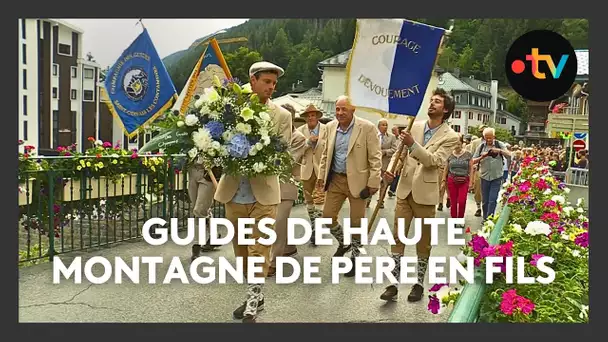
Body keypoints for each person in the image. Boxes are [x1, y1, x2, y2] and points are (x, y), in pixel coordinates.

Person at [214, 61, 292, 323]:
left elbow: (282, 153)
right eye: (267, 82)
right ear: (252, 80)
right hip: (234, 194)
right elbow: (217, 144)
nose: (271, 87)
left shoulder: (282, 116)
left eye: (274, 84)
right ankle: (255, 294)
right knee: (243, 253)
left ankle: (251, 303)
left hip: (266, 194)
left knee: (260, 248)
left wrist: (259, 150)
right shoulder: (231, 108)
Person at [380, 88, 459, 302]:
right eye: (431, 100)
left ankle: (418, 283)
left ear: (446, 109)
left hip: (426, 193)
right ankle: (393, 284)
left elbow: (434, 161)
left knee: (423, 241)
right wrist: (392, 170)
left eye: (437, 102)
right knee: (398, 236)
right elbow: (400, 151)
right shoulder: (414, 125)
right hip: (404, 189)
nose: (432, 104)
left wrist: (412, 144)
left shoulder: (451, 136)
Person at [317, 95, 382, 277]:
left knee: (356, 223)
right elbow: (325, 155)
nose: (339, 113)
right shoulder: (330, 127)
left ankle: (355, 257)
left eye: (343, 109)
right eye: (337, 109)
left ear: (353, 110)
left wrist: (373, 183)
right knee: (327, 217)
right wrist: (322, 177)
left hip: (359, 182)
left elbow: (375, 158)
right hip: (336, 179)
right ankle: (344, 242)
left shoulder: (367, 128)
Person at [268, 104, 307, 277]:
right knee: (276, 223)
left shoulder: (298, 138)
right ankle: (289, 247)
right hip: (268, 185)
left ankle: (273, 262)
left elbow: (287, 161)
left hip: (285, 185)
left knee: (279, 222)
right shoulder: (271, 133)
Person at [297, 104, 327, 245]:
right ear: (305, 118)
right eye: (308, 116)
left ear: (317, 116)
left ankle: (317, 229)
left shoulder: (327, 130)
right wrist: (308, 143)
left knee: (320, 199)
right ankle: (314, 223)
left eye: (313, 115)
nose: (311, 117)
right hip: (307, 169)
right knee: (309, 201)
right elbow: (295, 151)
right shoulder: (299, 131)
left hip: (322, 169)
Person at [472, 127, 511, 221]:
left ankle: (489, 219)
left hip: (497, 176)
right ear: (483, 137)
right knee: (485, 201)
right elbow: (473, 161)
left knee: (492, 199)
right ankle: (485, 218)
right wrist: (482, 156)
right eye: (486, 138)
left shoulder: (499, 144)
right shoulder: (481, 146)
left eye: (490, 137)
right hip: (484, 176)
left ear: (494, 136)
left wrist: (499, 151)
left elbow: (509, 155)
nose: (489, 140)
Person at [441, 134, 473, 224]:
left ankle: (460, 219)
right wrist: (443, 180)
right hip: (452, 180)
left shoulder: (468, 154)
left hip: (464, 180)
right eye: (455, 144)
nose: (457, 146)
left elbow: (471, 169)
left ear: (462, 143)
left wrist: (471, 182)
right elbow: (446, 168)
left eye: (458, 144)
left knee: (462, 201)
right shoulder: (449, 154)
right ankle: (454, 220)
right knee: (453, 201)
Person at [370, 118, 397, 209]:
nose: (385, 127)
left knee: (384, 183)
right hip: (374, 164)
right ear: (378, 126)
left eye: (386, 125)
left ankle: (381, 200)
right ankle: (368, 199)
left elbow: (394, 149)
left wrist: (385, 152)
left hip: (385, 163)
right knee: (371, 181)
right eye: (383, 125)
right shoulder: (373, 135)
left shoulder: (391, 137)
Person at [466, 125, 486, 217]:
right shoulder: (475, 143)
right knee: (478, 189)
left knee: (486, 190)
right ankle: (478, 207)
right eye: (482, 131)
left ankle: (485, 207)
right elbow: (471, 155)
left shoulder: (493, 142)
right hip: (478, 168)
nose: (483, 133)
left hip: (489, 168)